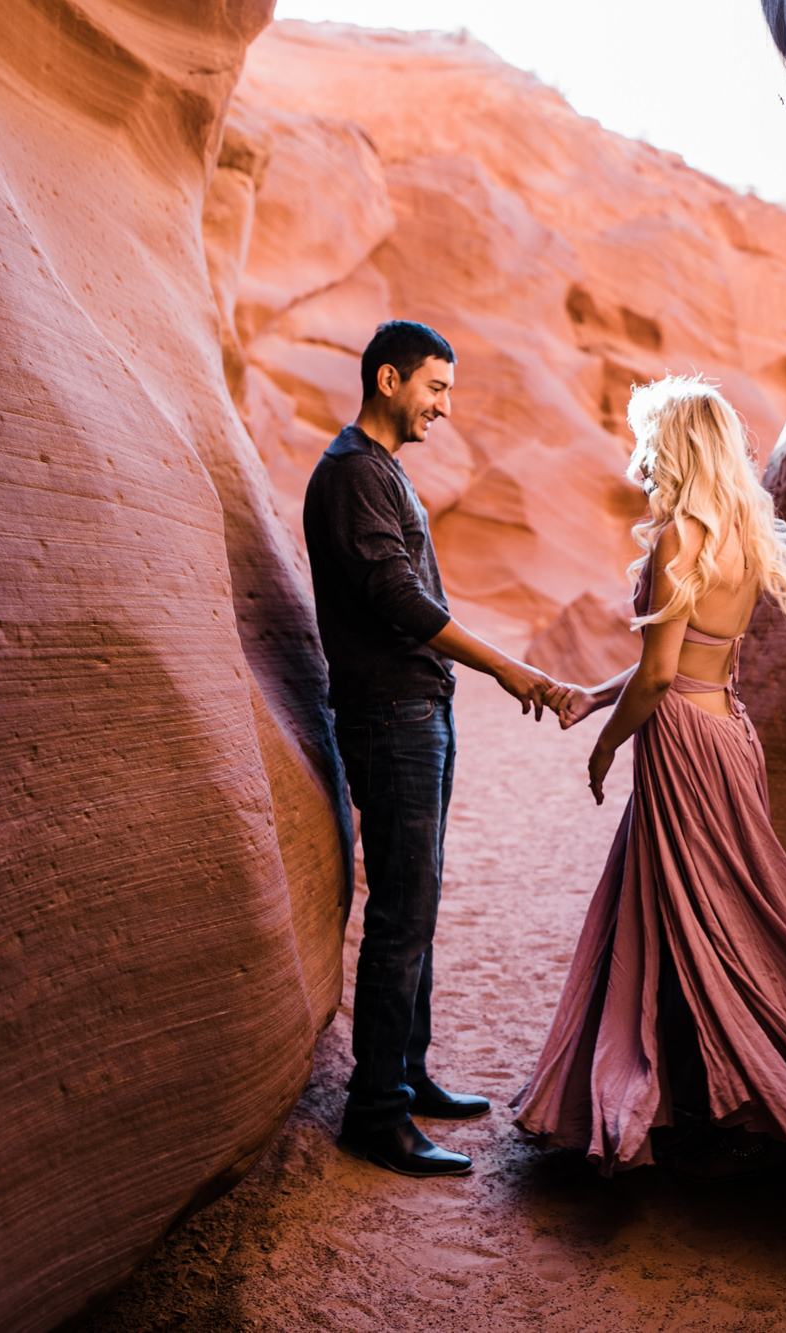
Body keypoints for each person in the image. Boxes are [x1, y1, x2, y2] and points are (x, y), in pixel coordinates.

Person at [514, 377, 786, 1178]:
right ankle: (710, 1091)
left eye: (649, 440)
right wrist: (591, 697)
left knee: (704, 915)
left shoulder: (676, 542)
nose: (638, 457)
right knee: (721, 908)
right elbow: (688, 663)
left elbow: (659, 678)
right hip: (726, 730)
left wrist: (605, 745)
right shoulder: (736, 536)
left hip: (682, 741)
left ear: (676, 446)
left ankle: (727, 1096)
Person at [305, 320, 563, 1178]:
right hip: (390, 717)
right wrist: (505, 667)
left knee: (418, 905)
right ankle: (376, 1112)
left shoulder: (382, 473)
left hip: (419, 711)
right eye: (435, 388)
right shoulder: (350, 476)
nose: (444, 407)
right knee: (401, 915)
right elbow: (395, 597)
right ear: (388, 379)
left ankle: (406, 1076)